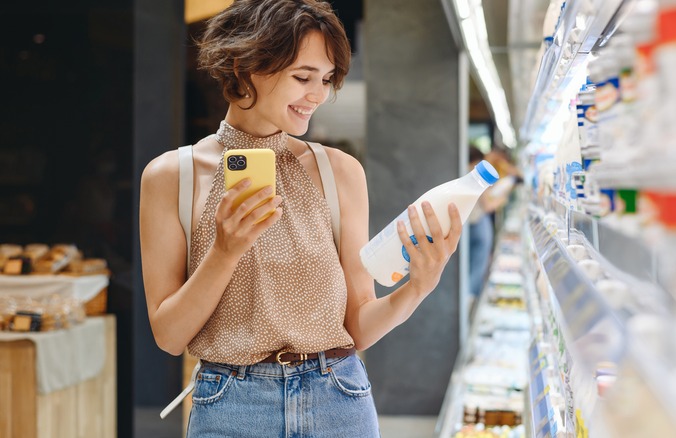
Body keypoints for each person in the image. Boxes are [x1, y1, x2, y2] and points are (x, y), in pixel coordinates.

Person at [138, 1, 463, 436]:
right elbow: (170, 337)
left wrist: (418, 288)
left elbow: (358, 326)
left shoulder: (339, 172)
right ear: (245, 66)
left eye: (327, 79)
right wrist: (224, 252)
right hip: (231, 406)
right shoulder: (170, 177)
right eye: (302, 77)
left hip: (338, 400)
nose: (319, 95)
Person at [467, 146, 512, 301]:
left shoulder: (462, 173)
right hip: (478, 223)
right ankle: (471, 299)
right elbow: (488, 205)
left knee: (472, 263)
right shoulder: (476, 175)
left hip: (469, 224)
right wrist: (502, 198)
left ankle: (469, 298)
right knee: (477, 265)